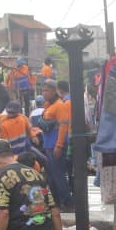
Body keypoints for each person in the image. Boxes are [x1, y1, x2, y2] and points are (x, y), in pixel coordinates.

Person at [39, 79, 73, 207]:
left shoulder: (59, 105)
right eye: (43, 90)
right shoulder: (49, 105)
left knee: (58, 175)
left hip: (56, 145)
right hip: (48, 145)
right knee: (52, 176)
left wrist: (59, 146)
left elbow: (64, 126)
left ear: (54, 91)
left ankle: (68, 203)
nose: (44, 93)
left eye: (47, 90)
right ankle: (56, 202)